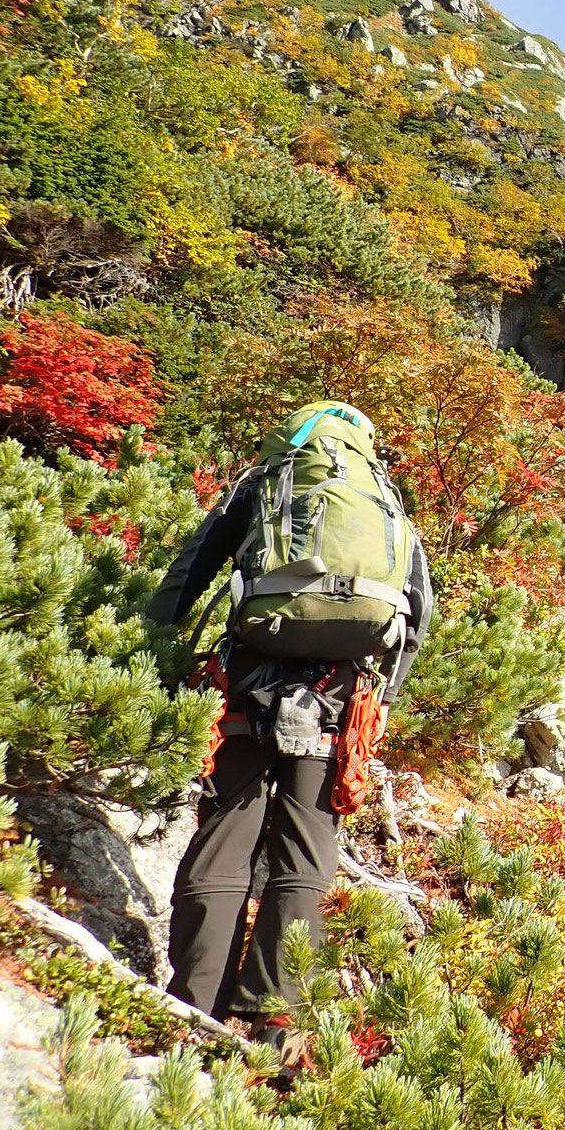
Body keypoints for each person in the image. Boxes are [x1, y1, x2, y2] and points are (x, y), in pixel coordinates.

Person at [145, 401, 434, 1051]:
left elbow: (185, 579)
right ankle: (272, 1024)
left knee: (224, 840)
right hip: (341, 696)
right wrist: (382, 693)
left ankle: (193, 1009)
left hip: (250, 680)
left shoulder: (267, 482)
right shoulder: (382, 498)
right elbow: (419, 611)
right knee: (304, 854)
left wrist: (152, 665)